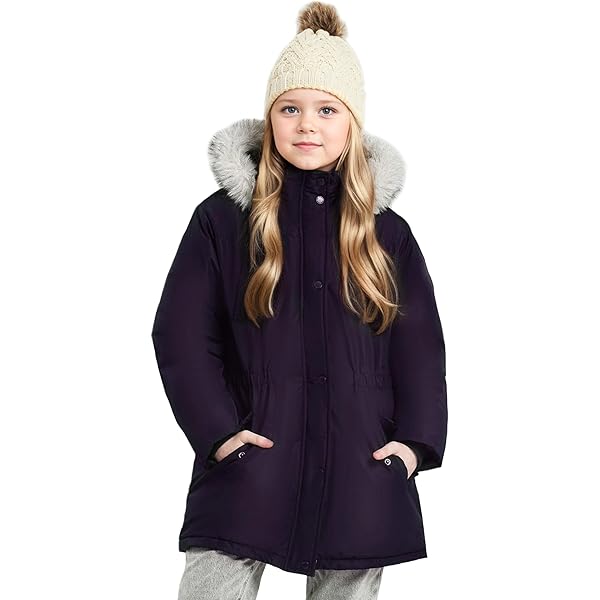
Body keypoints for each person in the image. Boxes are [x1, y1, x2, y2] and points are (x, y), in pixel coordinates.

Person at [151, 2, 448, 599]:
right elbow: (181, 335)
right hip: (249, 465)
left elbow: (419, 349)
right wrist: (219, 434)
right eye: (290, 108)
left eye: (326, 109)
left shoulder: (386, 233)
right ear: (269, 119)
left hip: (361, 469)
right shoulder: (223, 221)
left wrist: (413, 446)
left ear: (352, 123)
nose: (307, 124)